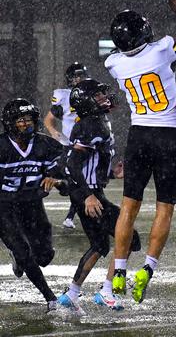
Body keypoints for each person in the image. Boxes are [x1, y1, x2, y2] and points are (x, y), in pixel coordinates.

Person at [105, 7, 176, 303]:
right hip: (167, 137)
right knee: (164, 208)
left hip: (138, 137)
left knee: (128, 206)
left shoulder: (114, 63)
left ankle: (118, 270)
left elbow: (150, 56)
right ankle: (147, 268)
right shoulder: (163, 48)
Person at [57, 79, 141, 313]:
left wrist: (112, 174)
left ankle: (71, 294)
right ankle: (106, 291)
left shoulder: (96, 121)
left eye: (103, 93)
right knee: (129, 238)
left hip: (90, 192)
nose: (104, 98)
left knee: (99, 245)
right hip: (88, 195)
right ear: (86, 101)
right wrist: (87, 197)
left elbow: (90, 164)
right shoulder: (90, 125)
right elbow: (72, 164)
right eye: (98, 95)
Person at [0, 98, 64, 312]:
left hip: (31, 204)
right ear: (10, 123)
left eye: (29, 120)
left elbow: (66, 167)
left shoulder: (45, 144)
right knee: (23, 250)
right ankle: (50, 298)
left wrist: (57, 179)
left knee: (44, 256)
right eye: (21, 120)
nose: (26, 124)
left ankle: (20, 258)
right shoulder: (2, 146)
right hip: (4, 206)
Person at [44, 62, 89, 229]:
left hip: (88, 143)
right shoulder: (63, 95)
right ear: (70, 78)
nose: (80, 79)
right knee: (76, 182)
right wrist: (54, 132)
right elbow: (48, 119)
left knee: (84, 181)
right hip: (71, 144)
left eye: (82, 75)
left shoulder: (90, 92)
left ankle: (71, 215)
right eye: (76, 76)